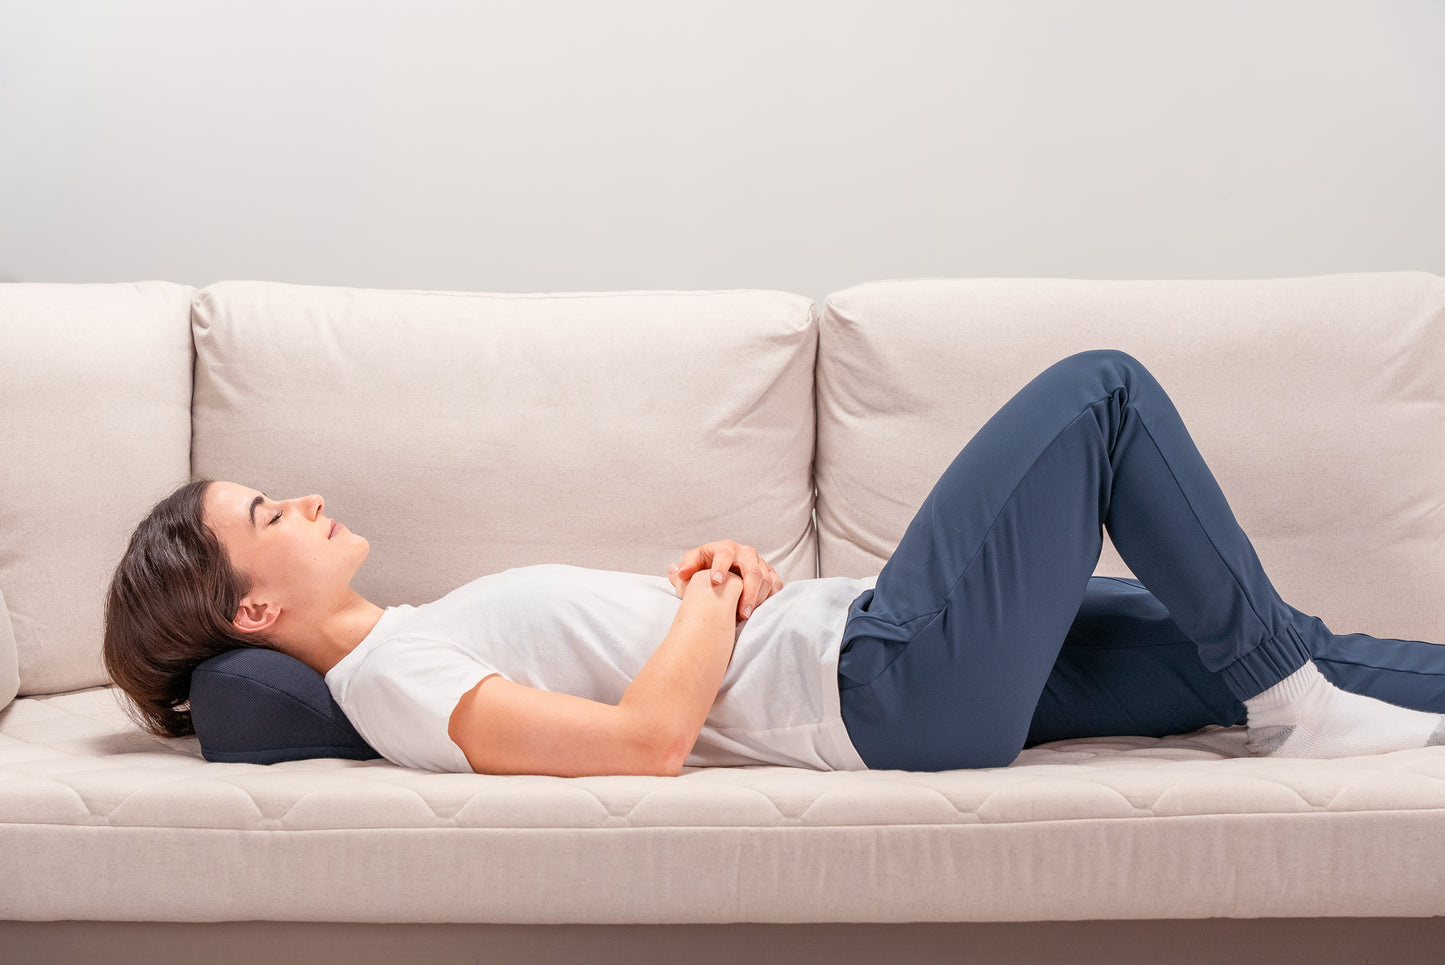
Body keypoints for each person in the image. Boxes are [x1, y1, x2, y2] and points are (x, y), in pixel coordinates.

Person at [103, 350, 1445, 776]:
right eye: (269, 507)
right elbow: (644, 740)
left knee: (1249, 644)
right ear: (253, 601)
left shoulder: (416, 633)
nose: (308, 497)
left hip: (861, 647)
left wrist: (725, 579)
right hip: (884, 679)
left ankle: (1288, 686)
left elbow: (663, 677)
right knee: (1098, 394)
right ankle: (1287, 695)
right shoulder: (395, 678)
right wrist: (711, 597)